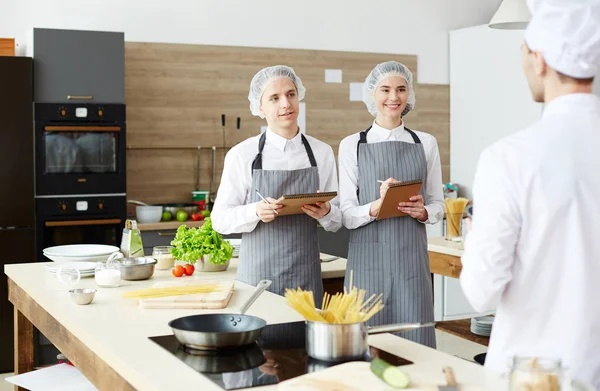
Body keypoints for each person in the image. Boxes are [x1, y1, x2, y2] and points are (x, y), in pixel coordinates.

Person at [460, 0, 600, 387]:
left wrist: (473, 231)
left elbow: (481, 292)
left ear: (539, 61)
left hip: (535, 374)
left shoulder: (509, 158)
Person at [211, 65, 342, 305]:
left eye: (291, 94)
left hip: (306, 277)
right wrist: (255, 211)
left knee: (303, 340)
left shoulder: (321, 152)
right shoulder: (242, 154)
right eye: (274, 98)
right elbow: (219, 219)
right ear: (260, 107)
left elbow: (336, 220)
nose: (286, 104)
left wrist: (327, 212)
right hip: (258, 280)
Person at [337, 61, 444, 348]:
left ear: (409, 94)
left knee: (417, 344)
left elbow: (437, 204)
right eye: (385, 89)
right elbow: (346, 214)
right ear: (372, 94)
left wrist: (423, 212)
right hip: (366, 264)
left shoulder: (426, 143)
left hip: (411, 262)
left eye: (401, 89)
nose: (393, 97)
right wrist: (378, 205)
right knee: (365, 346)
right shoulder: (352, 145)